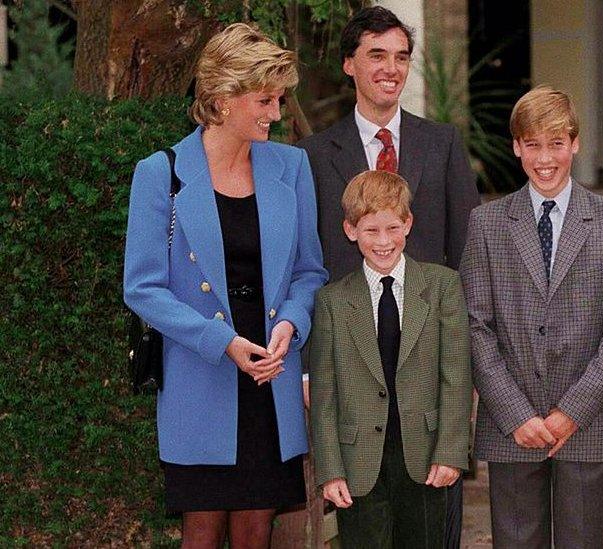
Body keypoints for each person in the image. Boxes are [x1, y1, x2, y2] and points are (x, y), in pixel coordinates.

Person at [123, 23, 327, 547]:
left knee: (257, 531)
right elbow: (143, 287)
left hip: (270, 377)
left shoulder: (292, 165)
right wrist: (225, 343)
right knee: (202, 531)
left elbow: (309, 271)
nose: (277, 113)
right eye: (265, 99)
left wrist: (291, 323)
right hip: (202, 374)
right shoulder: (159, 172)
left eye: (280, 99)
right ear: (221, 97)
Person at [296, 7, 480, 544]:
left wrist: (462, 375)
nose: (390, 68)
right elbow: (306, 265)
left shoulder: (441, 144)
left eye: (401, 56)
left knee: (431, 527)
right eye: (376, 54)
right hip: (350, 362)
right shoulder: (311, 156)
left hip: (427, 366)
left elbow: (466, 257)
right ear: (349, 64)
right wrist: (310, 367)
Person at [459, 86, 603, 548]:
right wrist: (516, 414)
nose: (546, 159)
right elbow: (473, 325)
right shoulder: (487, 224)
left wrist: (571, 412)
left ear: (575, 143)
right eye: (534, 145)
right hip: (512, 426)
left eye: (556, 144)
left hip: (586, 423)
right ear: (517, 147)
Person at [307, 170, 472, 548]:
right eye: (371, 231)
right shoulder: (332, 301)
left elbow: (456, 377)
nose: (384, 242)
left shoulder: (443, 287)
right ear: (350, 230)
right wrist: (330, 470)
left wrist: (450, 452)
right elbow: (325, 393)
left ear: (408, 224)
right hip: (358, 463)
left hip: (426, 459)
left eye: (393, 228)